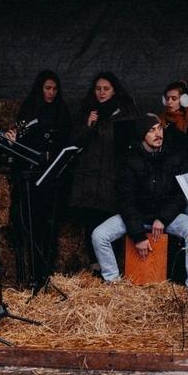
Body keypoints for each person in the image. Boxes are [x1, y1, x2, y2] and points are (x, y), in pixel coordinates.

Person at [91, 114, 188, 294]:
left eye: (159, 128)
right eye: (152, 130)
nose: (158, 134)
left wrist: (163, 218)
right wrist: (138, 235)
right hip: (138, 216)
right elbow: (125, 200)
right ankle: (114, 285)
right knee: (99, 235)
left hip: (165, 216)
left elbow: (182, 194)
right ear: (142, 134)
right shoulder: (129, 159)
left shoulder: (176, 155)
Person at [7, 70, 73, 285]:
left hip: (53, 179)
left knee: (50, 227)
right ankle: (30, 275)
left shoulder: (62, 111)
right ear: (40, 88)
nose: (51, 93)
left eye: (54, 88)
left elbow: (68, 143)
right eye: (47, 88)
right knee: (30, 226)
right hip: (31, 177)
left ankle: (46, 273)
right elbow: (20, 141)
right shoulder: (30, 109)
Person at [68, 72, 138, 267]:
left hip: (112, 178)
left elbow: (129, 147)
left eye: (106, 89)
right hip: (89, 180)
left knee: (111, 224)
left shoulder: (124, 114)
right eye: (98, 88)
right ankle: (95, 267)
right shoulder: (87, 112)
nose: (101, 92)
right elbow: (74, 143)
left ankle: (112, 270)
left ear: (114, 90)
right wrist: (88, 125)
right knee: (91, 224)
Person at [160, 80, 188, 169]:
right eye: (167, 98)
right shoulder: (160, 119)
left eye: (174, 98)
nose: (169, 102)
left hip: (187, 167)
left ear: (184, 100)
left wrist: (171, 129)